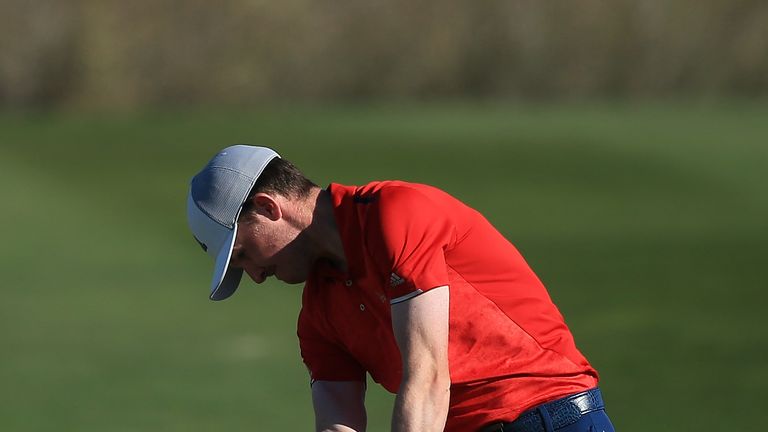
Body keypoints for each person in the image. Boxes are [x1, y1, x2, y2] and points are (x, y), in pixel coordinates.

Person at [186, 145, 615, 432]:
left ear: (267, 208)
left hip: (549, 416)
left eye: (243, 254)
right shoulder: (317, 317)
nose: (256, 276)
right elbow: (339, 422)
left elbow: (427, 376)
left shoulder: (396, 214)